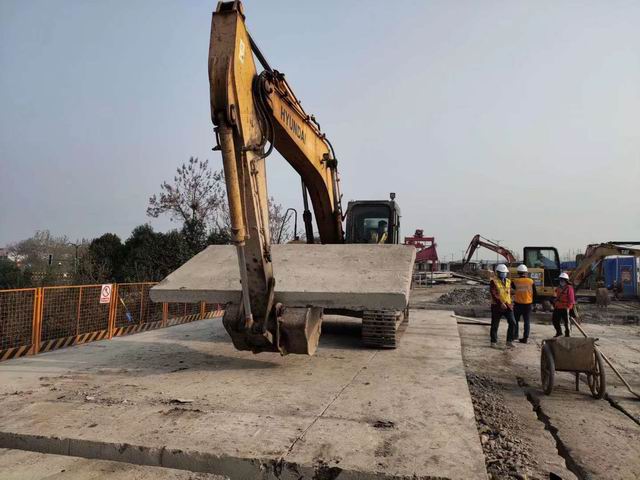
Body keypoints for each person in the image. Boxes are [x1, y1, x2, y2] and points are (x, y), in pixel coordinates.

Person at [489, 264, 517, 348]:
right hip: (497, 306)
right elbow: (494, 294)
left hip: (508, 305)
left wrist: (512, 298)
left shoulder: (508, 281)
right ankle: (493, 342)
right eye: (502, 272)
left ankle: (509, 341)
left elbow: (510, 291)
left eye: (504, 273)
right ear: (497, 273)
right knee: (495, 324)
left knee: (513, 322)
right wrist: (500, 303)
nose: (503, 274)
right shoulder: (494, 282)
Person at [511, 264, 537, 343]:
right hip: (527, 304)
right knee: (527, 321)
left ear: (518, 273)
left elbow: (513, 288)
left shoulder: (515, 281)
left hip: (518, 304)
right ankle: (525, 338)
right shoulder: (531, 281)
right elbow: (535, 293)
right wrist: (534, 303)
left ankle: (515, 335)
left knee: (515, 320)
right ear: (526, 273)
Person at [552, 272, 575, 337]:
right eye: (560, 279)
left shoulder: (569, 288)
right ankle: (559, 332)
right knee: (555, 320)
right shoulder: (558, 287)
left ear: (566, 280)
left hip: (566, 307)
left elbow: (571, 299)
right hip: (558, 306)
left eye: (562, 280)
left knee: (567, 322)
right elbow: (555, 295)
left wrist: (569, 307)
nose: (561, 281)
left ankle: (568, 334)